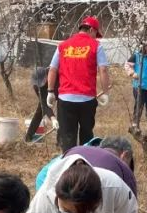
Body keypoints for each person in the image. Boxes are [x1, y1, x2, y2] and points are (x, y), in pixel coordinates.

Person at [48, 16, 111, 152]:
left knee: (67, 137)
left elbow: (53, 69)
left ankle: (69, 161)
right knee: (86, 137)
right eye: (96, 34)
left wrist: (50, 91)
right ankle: (84, 161)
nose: (96, 38)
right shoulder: (96, 46)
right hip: (87, 99)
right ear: (92, 30)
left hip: (65, 99)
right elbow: (103, 70)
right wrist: (106, 92)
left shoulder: (63, 45)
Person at [126, 40, 147, 129]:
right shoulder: (137, 56)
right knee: (139, 105)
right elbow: (127, 65)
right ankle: (135, 125)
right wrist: (132, 73)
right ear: (143, 45)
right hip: (139, 86)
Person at [26, 66, 56, 142]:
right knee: (39, 111)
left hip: (60, 92)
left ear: (46, 75)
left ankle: (60, 141)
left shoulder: (54, 73)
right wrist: (52, 118)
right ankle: (28, 137)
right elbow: (44, 103)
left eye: (43, 81)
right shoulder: (37, 86)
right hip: (45, 94)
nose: (41, 84)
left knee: (62, 114)